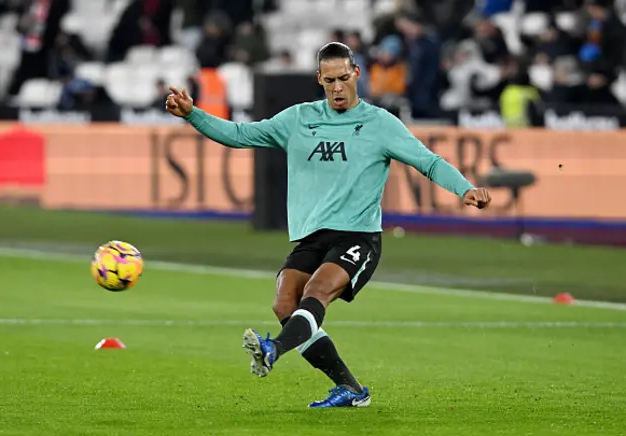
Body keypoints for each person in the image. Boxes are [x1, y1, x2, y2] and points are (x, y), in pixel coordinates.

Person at [165, 42, 492, 409]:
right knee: (284, 301)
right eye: (329, 80)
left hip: (358, 236)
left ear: (356, 74)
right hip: (312, 235)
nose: (338, 88)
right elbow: (240, 135)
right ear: (319, 79)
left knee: (315, 292)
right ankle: (351, 390)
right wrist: (194, 115)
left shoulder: (380, 124)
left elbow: (428, 162)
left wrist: (464, 188)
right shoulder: (298, 119)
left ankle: (273, 349)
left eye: (343, 78)